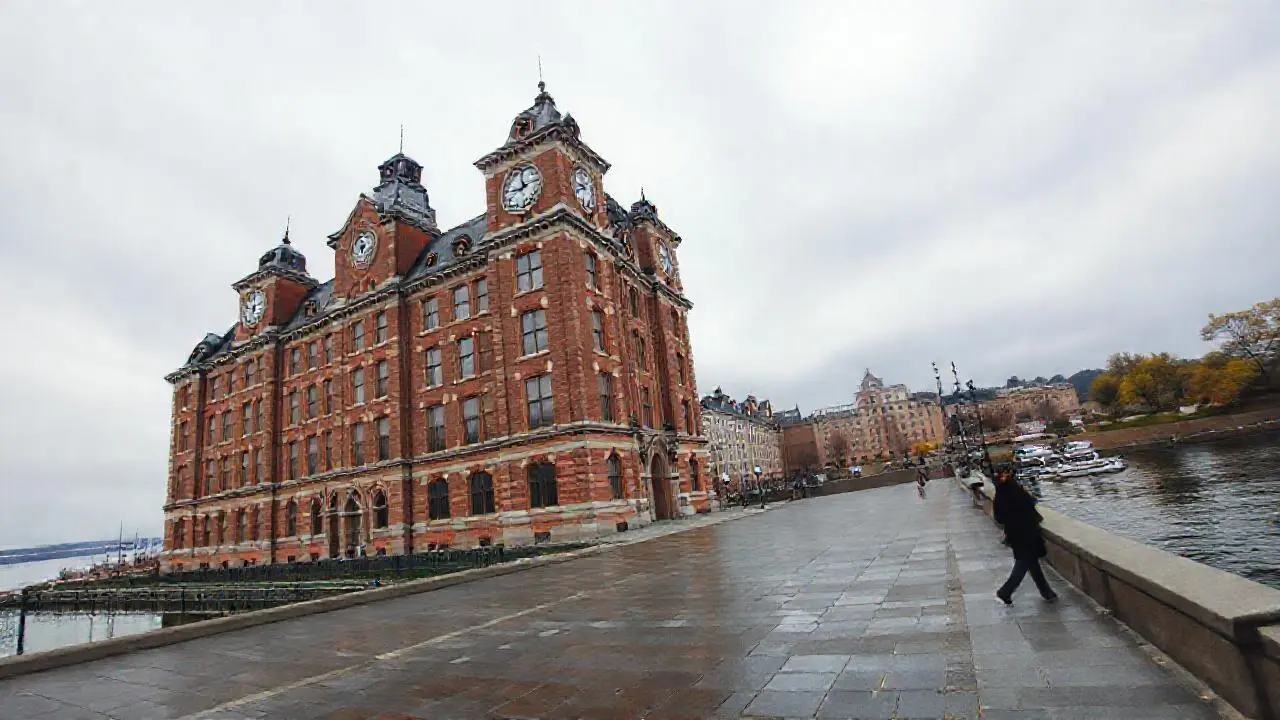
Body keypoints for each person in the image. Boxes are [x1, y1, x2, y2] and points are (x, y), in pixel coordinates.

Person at [992, 463, 1058, 604]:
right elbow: (1029, 503)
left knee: (1032, 562)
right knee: (1023, 562)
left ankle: (1047, 592)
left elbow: (999, 517)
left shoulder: (1001, 491)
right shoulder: (1012, 489)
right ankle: (1005, 591)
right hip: (1026, 532)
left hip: (1016, 532)